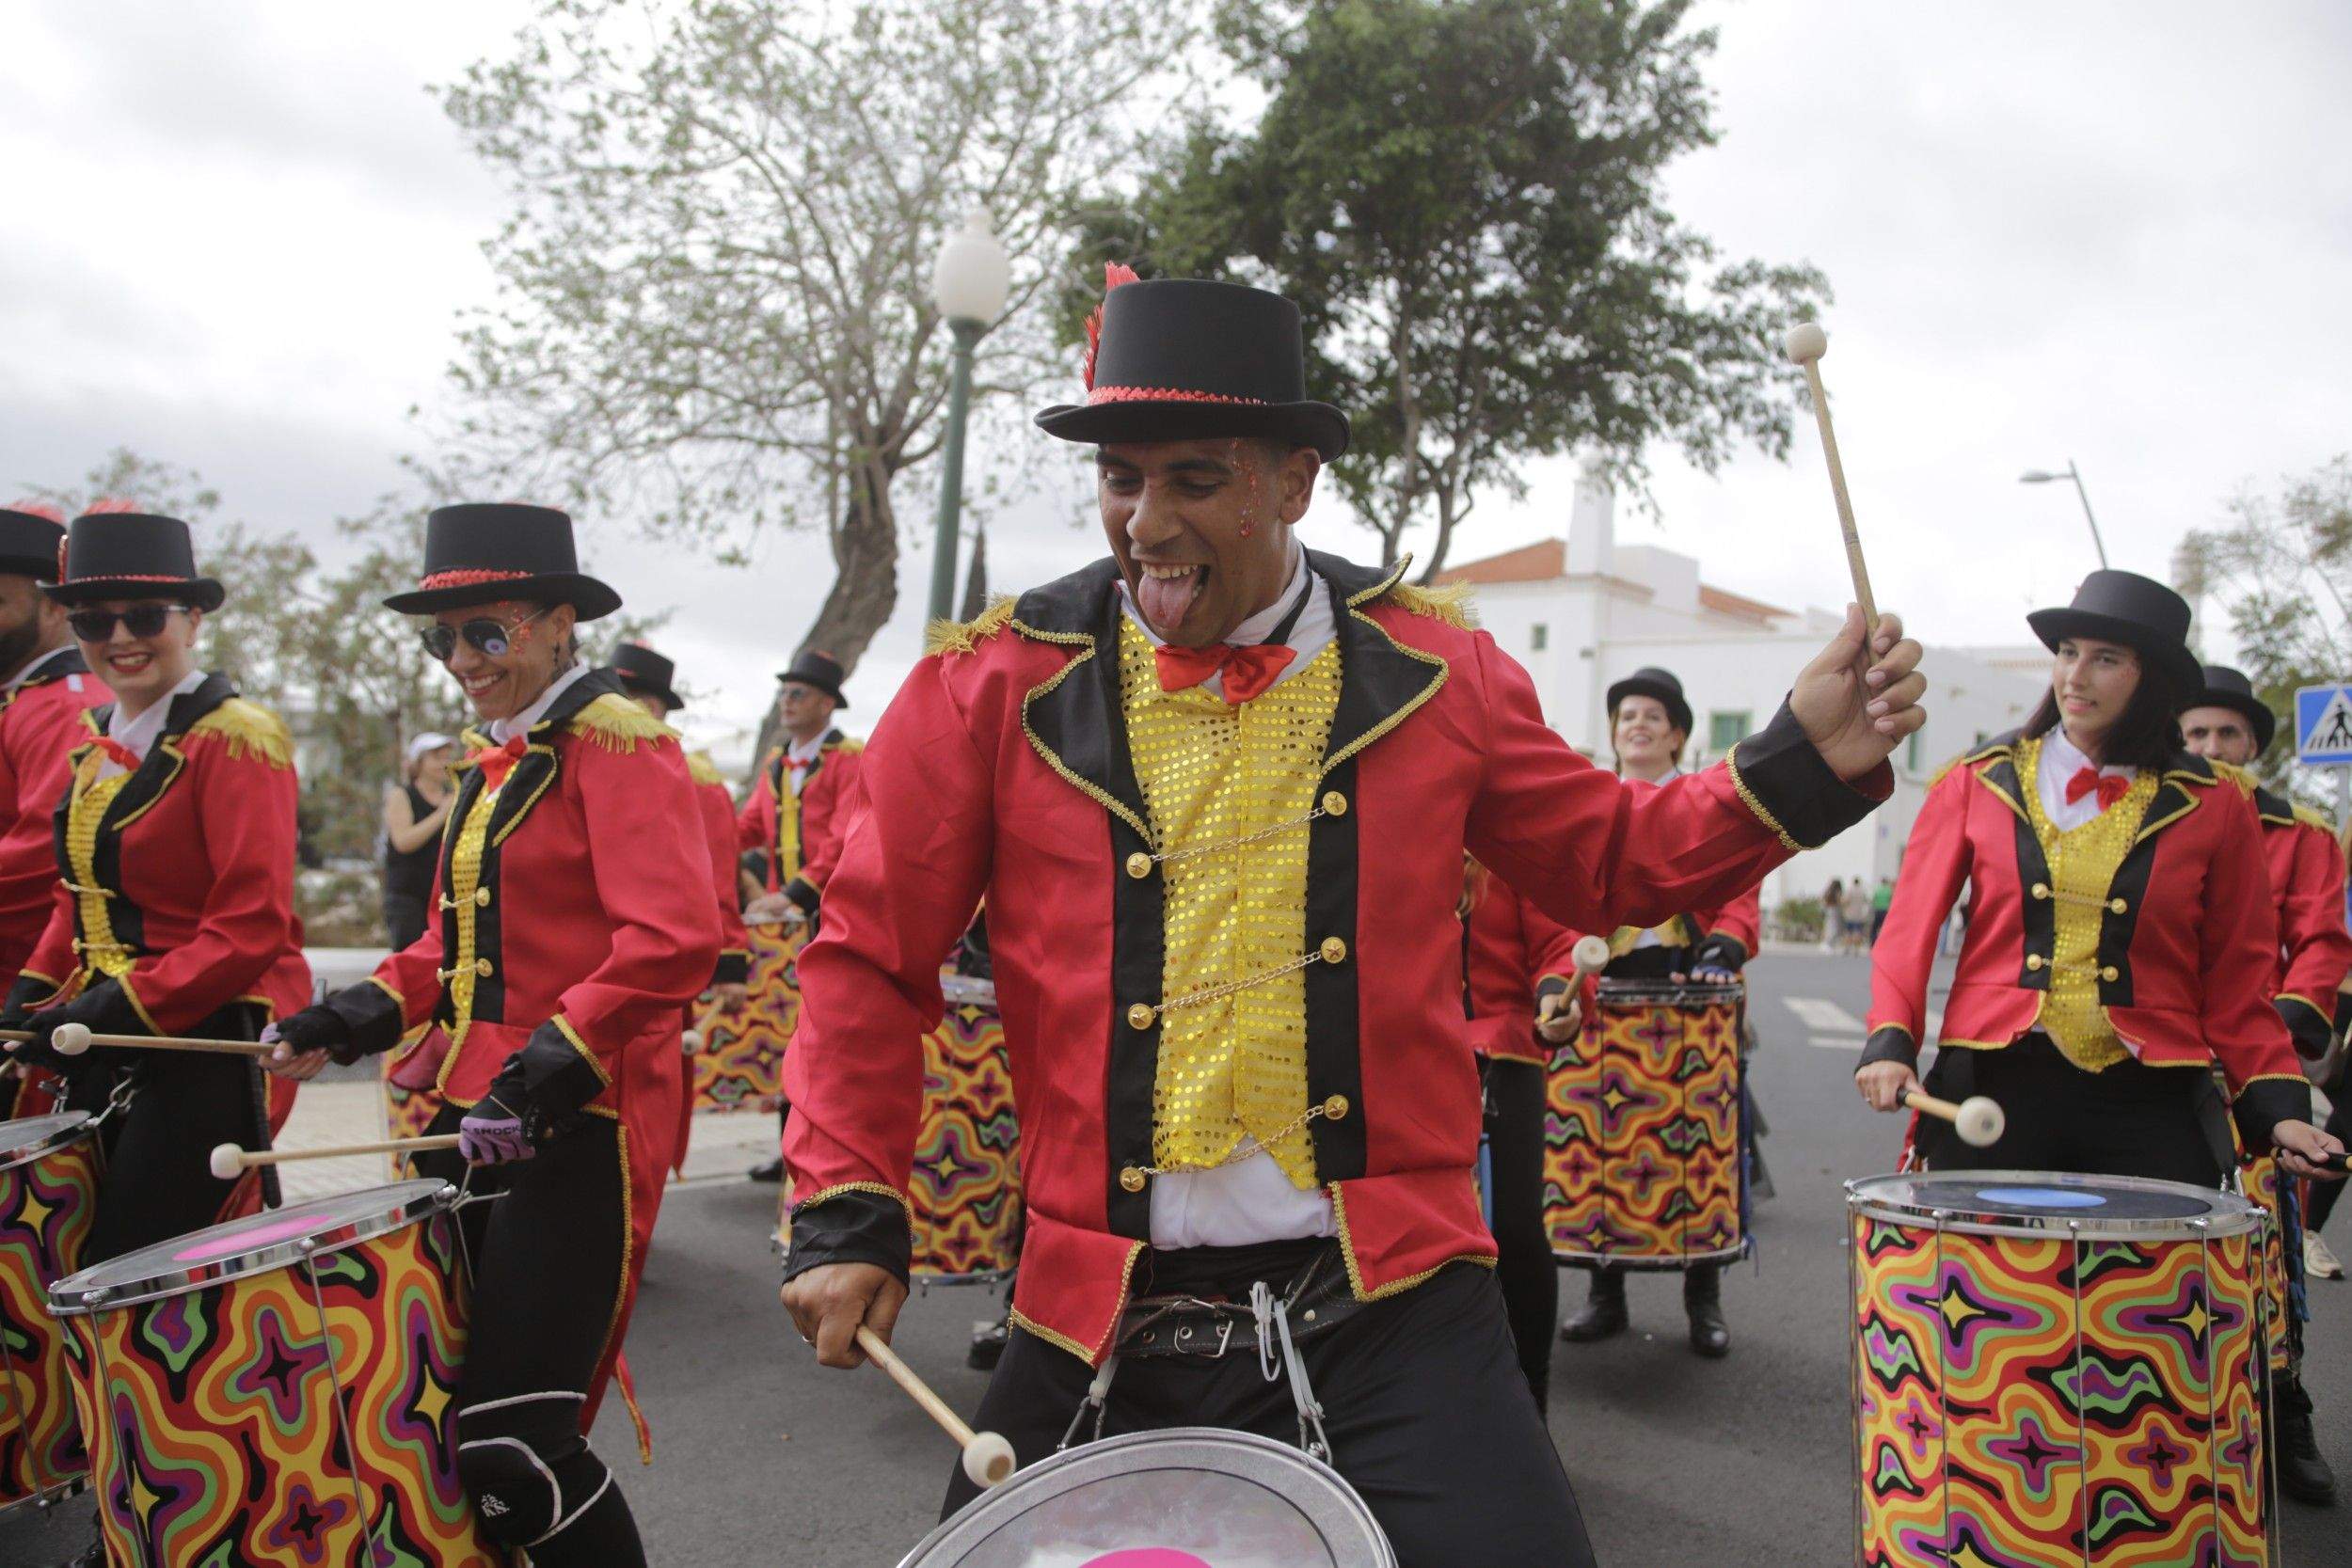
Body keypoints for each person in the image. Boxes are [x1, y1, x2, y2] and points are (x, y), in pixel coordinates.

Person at [777, 272, 1926, 1565]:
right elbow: (869, 954)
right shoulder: (993, 677)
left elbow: (1611, 857)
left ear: (1294, 480)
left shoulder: (1439, 672)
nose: (1144, 523)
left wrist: (1796, 761)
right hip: (1090, 1302)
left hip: (1392, 1305)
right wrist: (846, 1201)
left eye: (1194, 478)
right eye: (1120, 479)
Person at [262, 503, 719, 1568]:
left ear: (562, 624)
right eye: (444, 639)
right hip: (464, 1115)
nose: (463, 660)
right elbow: (443, 945)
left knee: (515, 1443)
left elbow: (671, 939)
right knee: (426, 1417)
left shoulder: (621, 742)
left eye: (489, 632)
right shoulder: (493, 762)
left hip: (574, 1123)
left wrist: (544, 1070)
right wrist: (342, 1016)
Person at [1858, 569, 2341, 1187]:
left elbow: (2239, 979)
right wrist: (1891, 1041)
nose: (2074, 675)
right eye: (2067, 653)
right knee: (1985, 1283)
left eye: (2105, 658)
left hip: (2152, 1104)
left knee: (2152, 1284)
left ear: (2153, 679)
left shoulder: (2219, 803)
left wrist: (2278, 1109)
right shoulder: (1973, 781)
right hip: (1996, 1091)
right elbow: (1907, 932)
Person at [0, 506, 311, 1257]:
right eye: (93, 620)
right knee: (55, 1252)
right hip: (106, 1035)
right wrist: (30, 999)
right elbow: (72, 904)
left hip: (211, 1038)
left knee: (133, 1265)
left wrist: (118, 1007)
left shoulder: (238, 737)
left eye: (144, 615)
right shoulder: (93, 747)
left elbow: (251, 925)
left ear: (194, 619)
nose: (119, 639)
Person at [2180, 661, 2350, 1504]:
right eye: (2195, 734)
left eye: (2227, 735)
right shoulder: (2146, 816)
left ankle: (2282, 1401)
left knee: (2268, 1250)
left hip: (2258, 1063)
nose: (2211, 748)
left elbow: (2320, 939)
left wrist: (2275, 1031)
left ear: (2255, 745)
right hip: (2164, 1066)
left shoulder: (2306, 834)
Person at [1553, 666, 1761, 1357]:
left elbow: (1739, 887)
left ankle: (1703, 1299)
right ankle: (1602, 1293)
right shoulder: (1589, 803)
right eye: (1625, 716)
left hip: (1691, 990)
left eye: (1651, 716)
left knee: (1695, 1150)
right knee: (1599, 1147)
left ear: (1677, 734)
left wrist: (1727, 946)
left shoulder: (1709, 803)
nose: (1636, 725)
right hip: (1602, 991)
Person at [612, 639, 752, 1175]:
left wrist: (729, 964)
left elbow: (718, 880)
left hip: (656, 968)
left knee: (644, 1108)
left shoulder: (695, 779)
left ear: (647, 708)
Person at [0, 501, 110, 1118]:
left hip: (34, 989)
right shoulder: (26, 701)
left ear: (53, 607)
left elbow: (44, 851)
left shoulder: (60, 706)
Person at [736, 647, 862, 1181]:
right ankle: (790, 1149)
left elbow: (846, 835)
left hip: (830, 917)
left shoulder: (847, 759)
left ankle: (820, 1154)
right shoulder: (772, 764)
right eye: (783, 693)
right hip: (783, 927)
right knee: (788, 1034)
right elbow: (745, 831)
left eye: (798, 693)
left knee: (824, 1039)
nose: (786, 702)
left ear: (828, 704)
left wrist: (795, 893)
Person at [1459, 857, 1578, 1410]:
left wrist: (1557, 997)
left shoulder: (1504, 834)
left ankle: (1533, 1403)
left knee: (1516, 1230)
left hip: (1502, 1051)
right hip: (1410, 1053)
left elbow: (1558, 943)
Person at [382, 731, 455, 949]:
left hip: (441, 896)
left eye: (446, 757)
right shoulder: (402, 795)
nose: (443, 763)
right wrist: (440, 815)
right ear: (419, 762)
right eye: (436, 757)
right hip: (408, 898)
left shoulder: (453, 796)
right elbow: (403, 841)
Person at [1868, 875, 1893, 944]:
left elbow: (1873, 900)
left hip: (1878, 911)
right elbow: (1891, 900)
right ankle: (1884, 942)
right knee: (1885, 928)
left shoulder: (1877, 889)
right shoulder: (1889, 890)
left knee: (1874, 928)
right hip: (1885, 912)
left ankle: (1873, 942)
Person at [1822, 876, 1845, 951]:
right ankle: (1830, 944)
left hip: (1829, 910)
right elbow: (1840, 901)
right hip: (1836, 910)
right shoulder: (1837, 892)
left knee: (1829, 926)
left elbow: (1823, 899)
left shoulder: (1828, 891)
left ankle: (1828, 943)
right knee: (1834, 927)